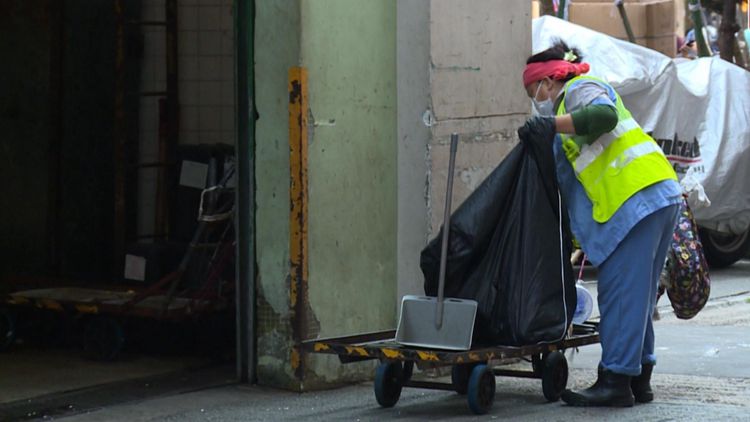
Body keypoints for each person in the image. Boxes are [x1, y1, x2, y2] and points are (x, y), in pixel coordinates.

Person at [519, 40, 682, 407]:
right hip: (652, 194)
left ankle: (615, 381)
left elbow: (604, 116)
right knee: (636, 295)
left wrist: (550, 124)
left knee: (621, 293)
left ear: (549, 81)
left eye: (534, 91)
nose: (536, 100)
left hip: (635, 199)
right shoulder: (567, 111)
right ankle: (639, 378)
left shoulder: (579, 89)